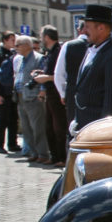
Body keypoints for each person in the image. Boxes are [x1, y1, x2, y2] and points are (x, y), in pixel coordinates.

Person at [73, 4, 112, 130]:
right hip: (84, 123)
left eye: (87, 27)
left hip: (97, 127)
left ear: (101, 28)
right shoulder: (92, 50)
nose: (83, 31)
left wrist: (104, 130)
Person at [32, 25, 68, 166]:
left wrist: (45, 78)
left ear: (47, 37)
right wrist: (41, 73)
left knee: (59, 127)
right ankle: (55, 156)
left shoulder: (58, 52)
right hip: (50, 93)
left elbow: (60, 76)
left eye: (42, 36)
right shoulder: (50, 53)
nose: (41, 39)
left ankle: (62, 157)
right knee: (49, 127)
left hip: (57, 93)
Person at [13, 34, 48, 163]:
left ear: (27, 45)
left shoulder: (38, 58)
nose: (15, 47)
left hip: (33, 97)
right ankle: (33, 152)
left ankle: (43, 153)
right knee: (26, 127)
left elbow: (43, 76)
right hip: (21, 97)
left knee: (37, 127)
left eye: (18, 45)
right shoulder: (20, 59)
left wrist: (42, 92)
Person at [54, 22, 88, 135]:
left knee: (74, 129)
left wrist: (63, 94)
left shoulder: (69, 46)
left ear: (80, 30)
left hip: (73, 92)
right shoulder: (99, 46)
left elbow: (59, 74)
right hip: (94, 95)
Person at [0, 31, 20, 154]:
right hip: (2, 92)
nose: (14, 42)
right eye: (12, 40)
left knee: (13, 118)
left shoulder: (14, 54)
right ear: (5, 40)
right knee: (2, 120)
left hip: (12, 92)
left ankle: (12, 143)